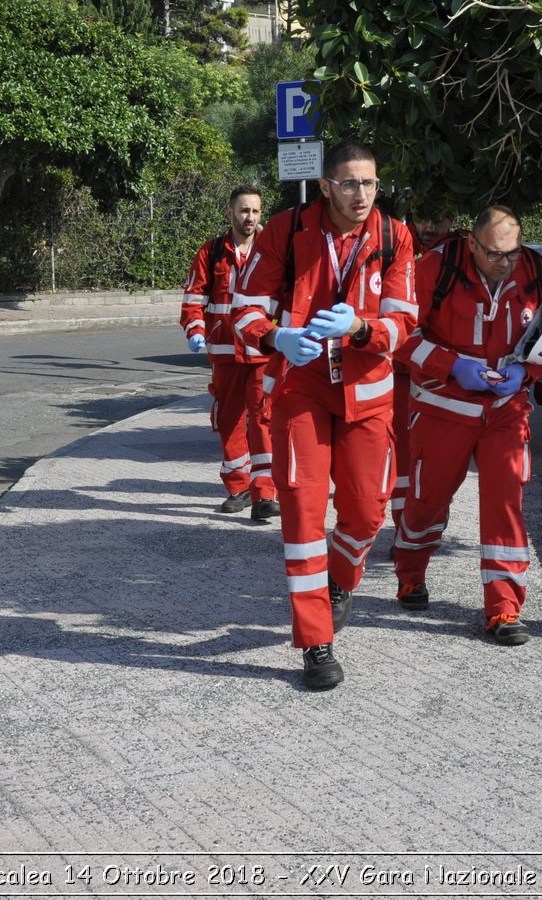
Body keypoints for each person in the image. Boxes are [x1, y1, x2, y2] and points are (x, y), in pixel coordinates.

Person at [231, 141, 417, 690]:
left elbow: (404, 322)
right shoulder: (285, 232)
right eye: (351, 184)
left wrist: (360, 329)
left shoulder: (393, 235)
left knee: (366, 512)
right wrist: (278, 337)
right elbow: (245, 311)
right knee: (304, 517)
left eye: (371, 183)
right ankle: (315, 641)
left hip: (367, 389)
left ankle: (341, 579)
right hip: (301, 389)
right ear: (327, 185)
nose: (362, 194)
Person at [394, 205, 542, 646]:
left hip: (505, 411)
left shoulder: (536, 272)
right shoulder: (433, 269)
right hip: (442, 408)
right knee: (427, 501)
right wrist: (453, 366)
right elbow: (400, 336)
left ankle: (504, 608)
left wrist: (526, 375)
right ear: (472, 243)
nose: (503, 263)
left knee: (506, 502)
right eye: (493, 253)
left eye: (511, 252)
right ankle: (410, 572)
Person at [180, 185, 279, 521]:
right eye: (243, 211)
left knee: (263, 418)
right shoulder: (211, 253)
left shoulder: (273, 252)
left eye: (254, 211)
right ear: (230, 213)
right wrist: (195, 330)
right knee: (228, 420)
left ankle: (265, 491)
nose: (249, 217)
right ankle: (238, 487)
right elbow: (194, 299)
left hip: (262, 351)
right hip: (224, 352)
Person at [388, 208, 459, 542]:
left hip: (440, 374)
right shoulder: (397, 244)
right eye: (423, 217)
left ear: (453, 215)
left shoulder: (460, 252)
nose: (431, 225)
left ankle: (429, 520)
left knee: (435, 457)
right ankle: (404, 526)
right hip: (399, 370)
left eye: (439, 217)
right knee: (403, 455)